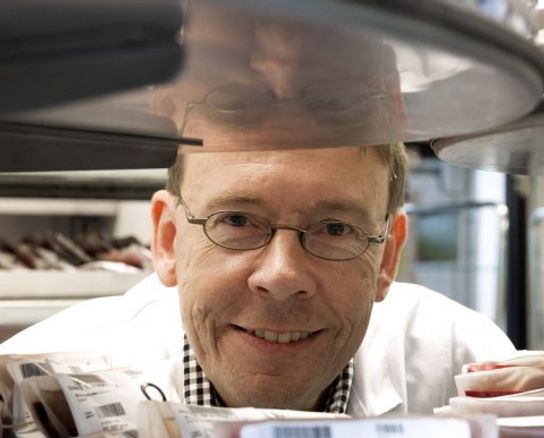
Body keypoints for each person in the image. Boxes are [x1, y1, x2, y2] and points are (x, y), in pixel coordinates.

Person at [0, 144, 517, 415]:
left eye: (336, 229)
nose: (281, 276)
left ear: (387, 258)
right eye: (238, 221)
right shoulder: (37, 386)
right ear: (167, 240)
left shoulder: (464, 368)